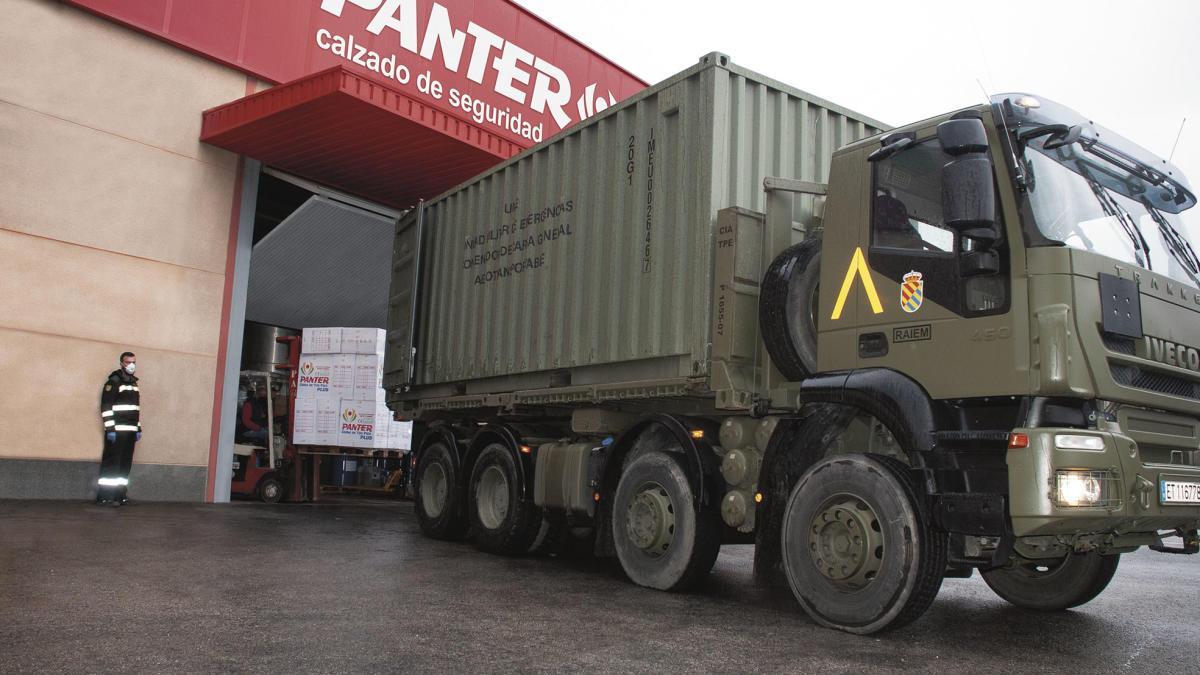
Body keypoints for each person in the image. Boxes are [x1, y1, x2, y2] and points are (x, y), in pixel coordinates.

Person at [98, 352, 141, 506]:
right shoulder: (114, 381)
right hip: (117, 431)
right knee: (112, 464)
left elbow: (135, 408)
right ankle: (105, 497)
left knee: (125, 464)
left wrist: (138, 428)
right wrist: (110, 429)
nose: (131, 365)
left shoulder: (133, 384)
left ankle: (119, 495)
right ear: (121, 363)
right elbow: (106, 406)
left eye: (134, 362)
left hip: (130, 431)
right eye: (128, 362)